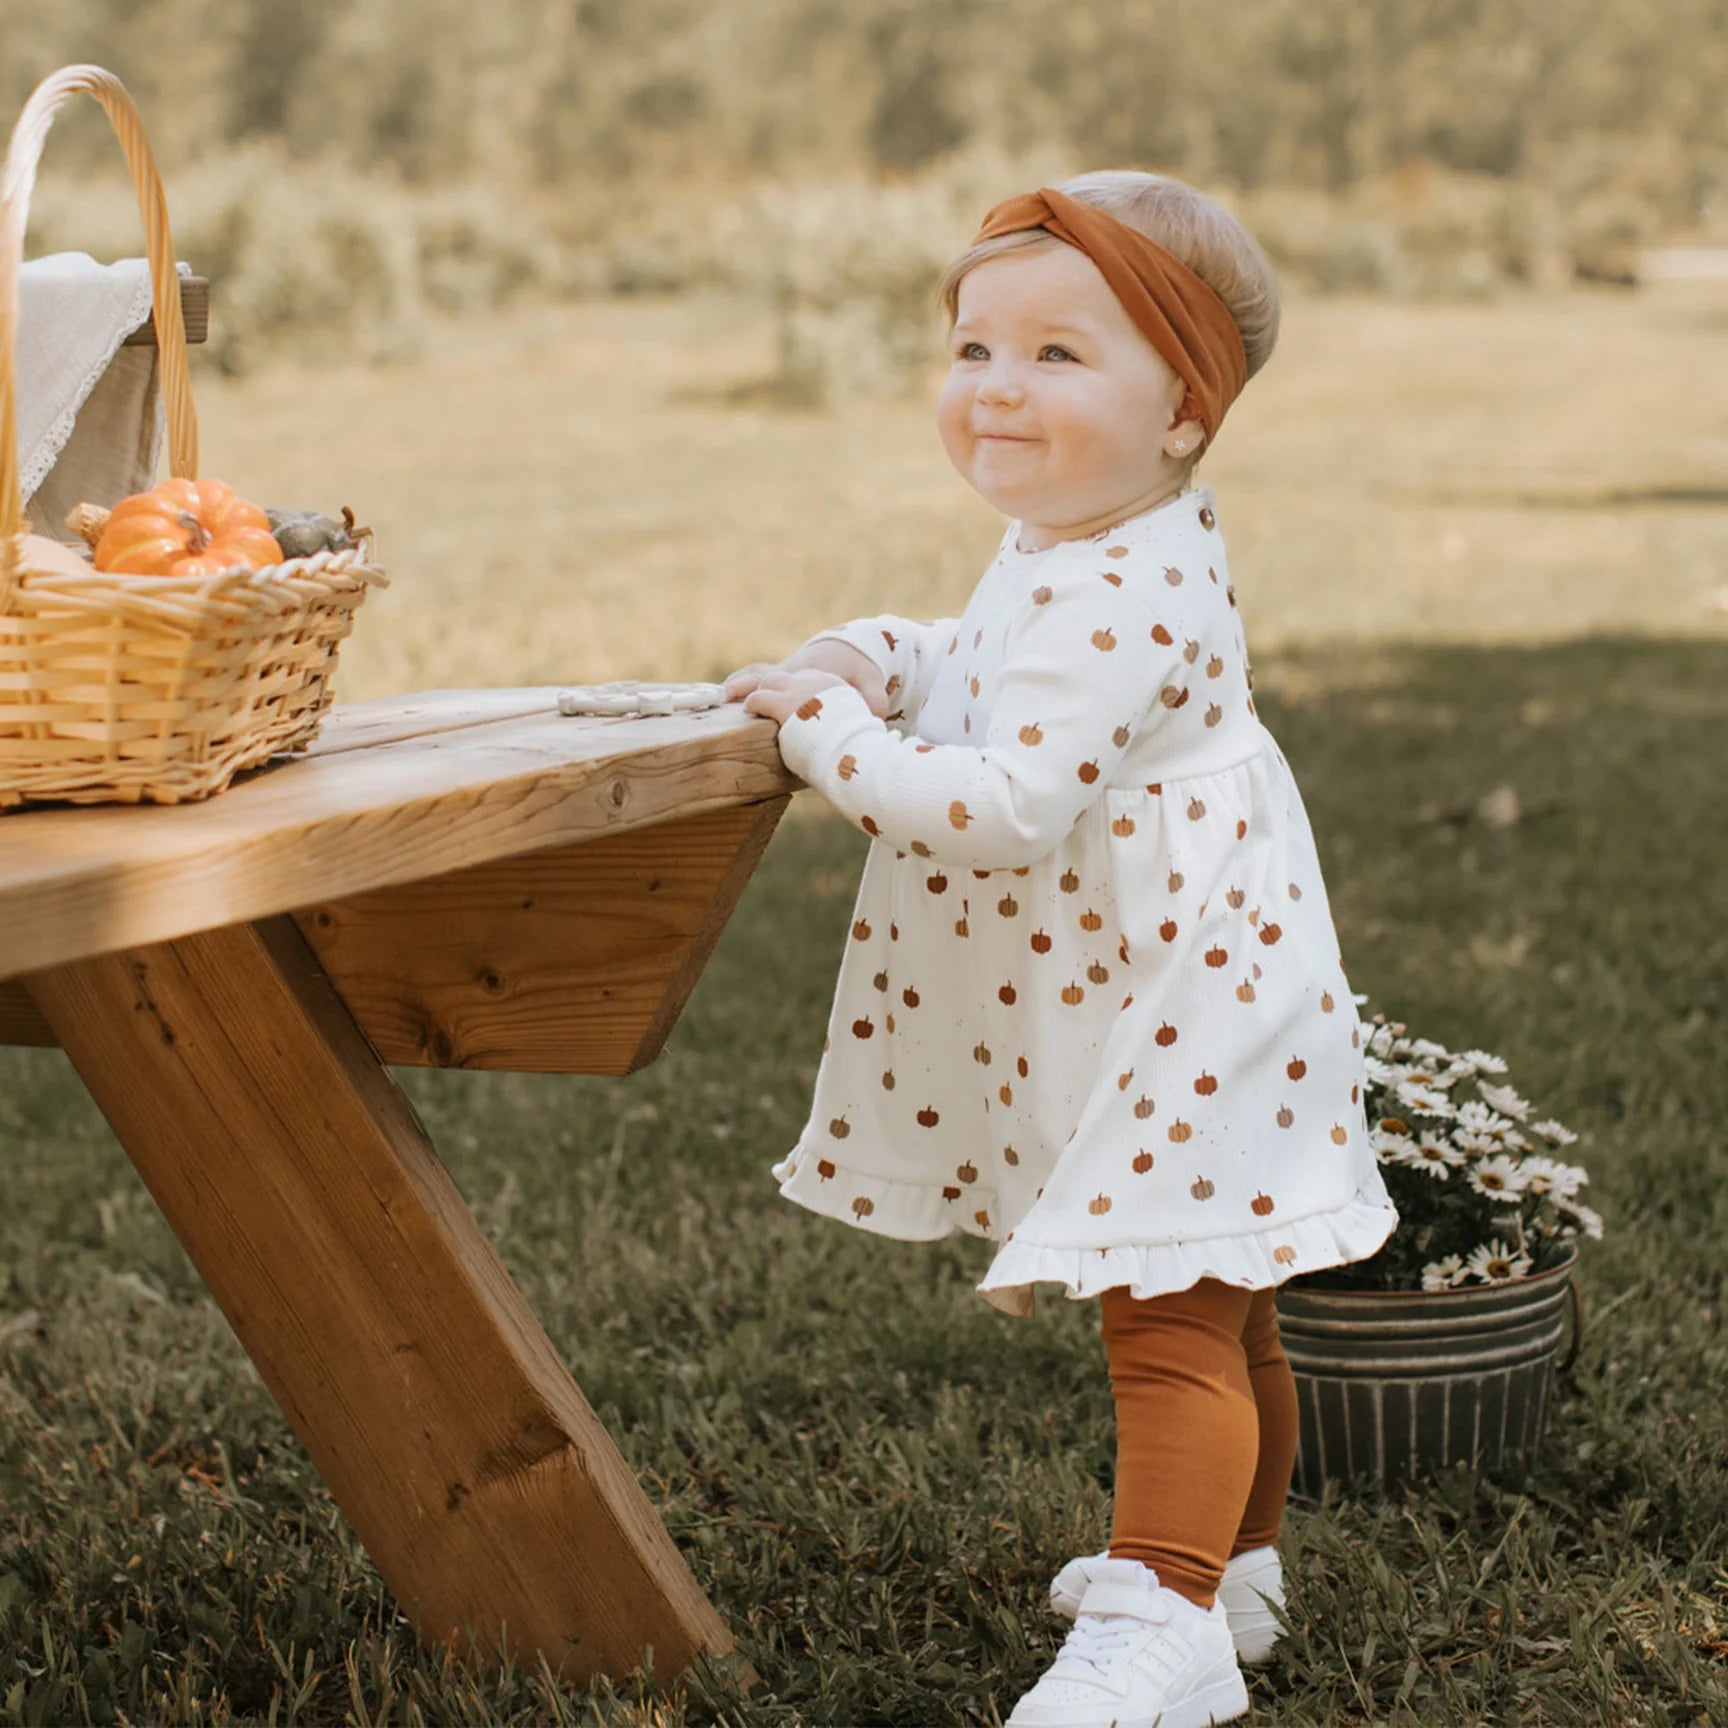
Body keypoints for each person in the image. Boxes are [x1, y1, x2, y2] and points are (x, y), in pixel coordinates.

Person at [721, 171, 1398, 1728]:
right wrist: (871, 652)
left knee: (1171, 1319)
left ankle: (1160, 1620)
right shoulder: (1085, 539)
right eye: (974, 351)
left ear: (1184, 410)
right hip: (1201, 967)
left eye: (1058, 356)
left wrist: (824, 733)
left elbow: (1005, 800)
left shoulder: (1123, 583)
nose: (998, 390)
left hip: (1185, 998)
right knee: (1229, 1291)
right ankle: (1236, 1574)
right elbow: (982, 658)